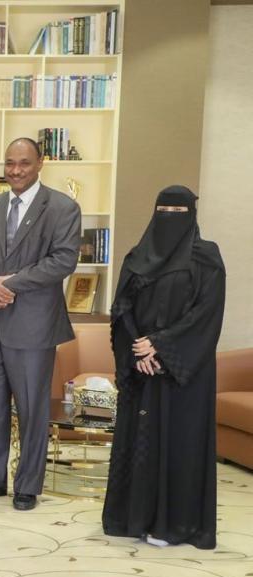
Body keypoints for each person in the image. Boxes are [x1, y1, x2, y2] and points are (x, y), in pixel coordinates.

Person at [102, 186, 225, 550]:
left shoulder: (206, 258)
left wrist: (160, 344)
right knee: (140, 439)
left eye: (178, 211)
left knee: (178, 442)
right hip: (142, 367)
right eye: (163, 210)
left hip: (184, 373)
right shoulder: (137, 257)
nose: (170, 217)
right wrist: (139, 348)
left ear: (192, 214)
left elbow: (207, 313)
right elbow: (121, 308)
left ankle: (175, 524)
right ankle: (133, 518)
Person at [0, 137, 80, 511]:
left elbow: (62, 261)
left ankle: (27, 485)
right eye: (10, 163)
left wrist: (7, 284)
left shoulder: (62, 208)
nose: (15, 170)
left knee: (32, 411)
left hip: (33, 328)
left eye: (24, 163)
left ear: (40, 163)